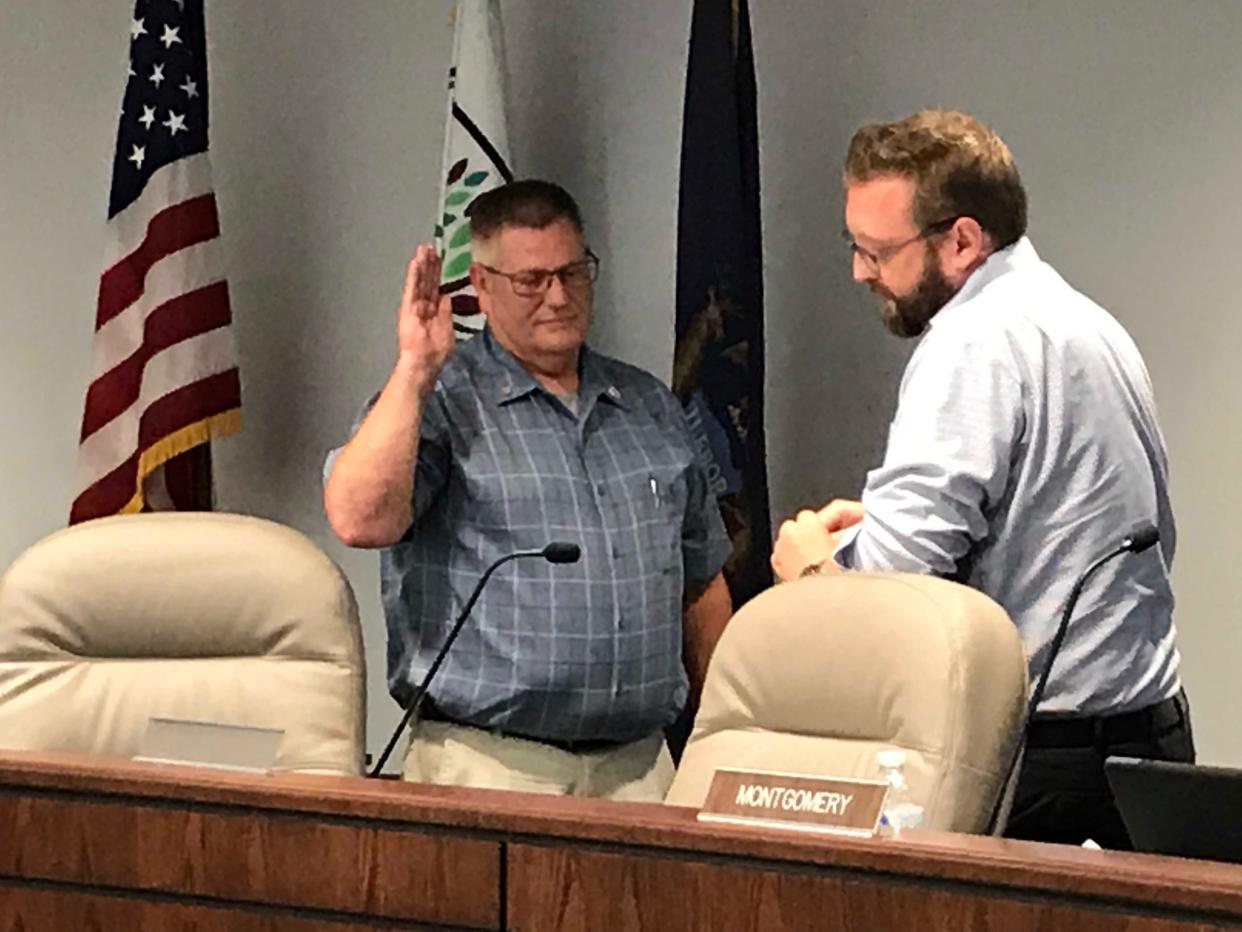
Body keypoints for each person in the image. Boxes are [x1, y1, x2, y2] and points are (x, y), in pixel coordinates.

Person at [769, 109, 1192, 848]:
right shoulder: (1083, 322)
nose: (859, 271)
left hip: (1041, 765)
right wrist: (875, 524)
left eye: (876, 250)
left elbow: (900, 578)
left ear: (962, 240)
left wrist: (813, 571)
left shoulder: (972, 341)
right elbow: (1063, 521)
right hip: (1145, 747)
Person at [324, 179, 731, 801]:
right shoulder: (441, 402)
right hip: (490, 765)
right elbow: (359, 521)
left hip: (644, 769)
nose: (558, 296)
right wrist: (413, 370)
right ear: (481, 287)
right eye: (531, 281)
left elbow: (700, 582)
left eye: (573, 272)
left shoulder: (649, 405)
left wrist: (720, 736)